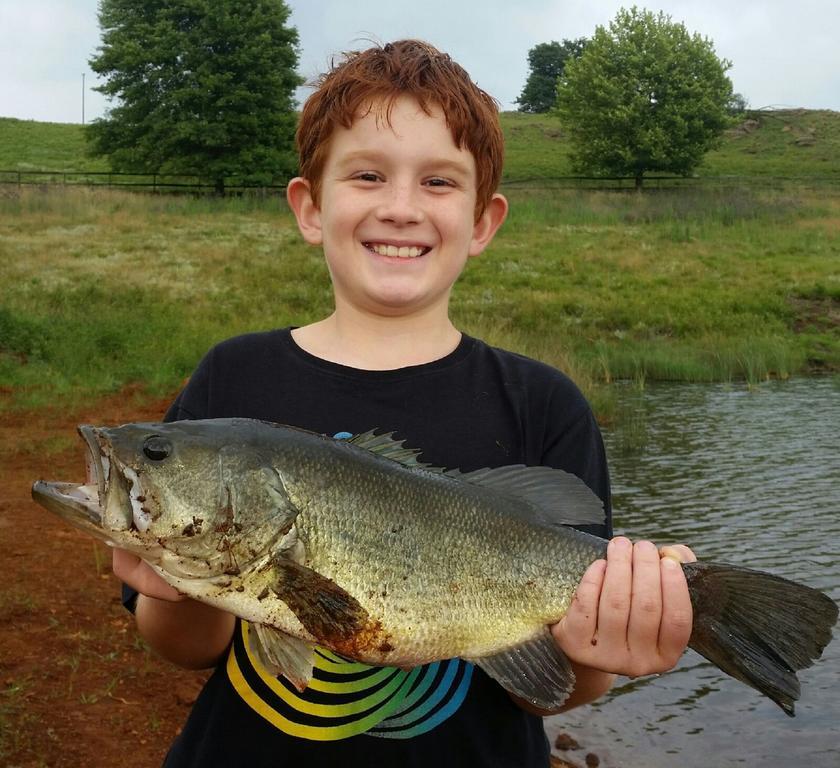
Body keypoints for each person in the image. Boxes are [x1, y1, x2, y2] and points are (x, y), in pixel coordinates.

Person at [115, 39, 695, 767]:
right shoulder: (233, 377)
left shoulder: (544, 404)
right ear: (309, 207)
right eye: (366, 175)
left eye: (439, 183)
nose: (400, 208)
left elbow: (554, 688)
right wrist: (169, 589)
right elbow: (189, 651)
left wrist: (610, 638)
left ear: (483, 221)